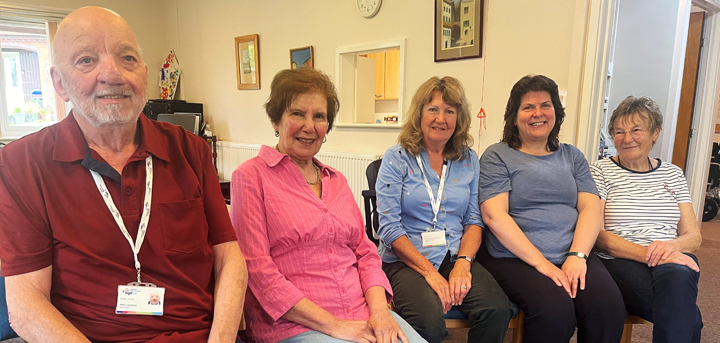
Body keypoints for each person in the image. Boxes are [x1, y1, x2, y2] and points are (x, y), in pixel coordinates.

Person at [0, 7, 247, 342]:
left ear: (144, 74)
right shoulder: (21, 164)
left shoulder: (190, 150)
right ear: (59, 81)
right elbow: (25, 303)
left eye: (127, 58)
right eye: (86, 60)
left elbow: (229, 258)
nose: (112, 74)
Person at [231, 68, 425, 343]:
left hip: (361, 313)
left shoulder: (337, 181)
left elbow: (366, 253)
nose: (309, 126)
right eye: (297, 113)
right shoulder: (250, 177)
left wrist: (381, 312)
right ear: (275, 120)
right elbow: (258, 271)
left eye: (319, 116)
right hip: (293, 326)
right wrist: (335, 326)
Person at [477, 75, 626, 343]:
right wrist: (542, 264)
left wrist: (578, 255)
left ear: (556, 113)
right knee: (555, 313)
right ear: (513, 116)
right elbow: (494, 215)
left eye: (545, 105)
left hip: (571, 251)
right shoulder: (497, 155)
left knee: (607, 309)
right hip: (514, 257)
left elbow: (591, 207)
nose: (538, 113)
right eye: (527, 107)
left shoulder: (572, 156)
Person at [376, 76, 512, 343]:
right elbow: (389, 228)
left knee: (496, 310)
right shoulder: (397, 157)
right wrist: (430, 273)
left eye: (450, 111)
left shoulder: (468, 158)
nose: (441, 118)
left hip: (453, 254)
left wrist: (463, 263)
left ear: (459, 118)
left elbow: (474, 219)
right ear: (419, 114)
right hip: (406, 260)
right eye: (433, 109)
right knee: (428, 322)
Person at [590, 96, 703, 343]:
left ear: (655, 133)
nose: (627, 138)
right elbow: (599, 235)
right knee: (689, 320)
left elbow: (693, 236)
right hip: (622, 257)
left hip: (670, 256)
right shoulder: (599, 171)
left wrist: (669, 249)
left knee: (679, 274)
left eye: (636, 130)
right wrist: (650, 254)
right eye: (619, 132)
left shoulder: (673, 174)